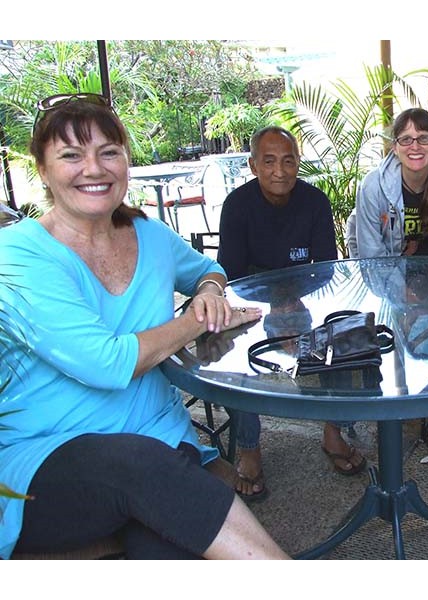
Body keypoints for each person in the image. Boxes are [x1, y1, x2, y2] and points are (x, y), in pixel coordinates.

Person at [0, 94, 289, 559]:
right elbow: (107, 363)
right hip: (46, 459)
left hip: (162, 437)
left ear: (126, 162)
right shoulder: (17, 253)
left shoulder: (150, 235)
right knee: (135, 463)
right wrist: (196, 321)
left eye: (108, 152)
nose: (94, 169)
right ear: (43, 170)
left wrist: (209, 292)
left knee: (171, 550)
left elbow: (208, 270)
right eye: (71, 155)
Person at [217, 126, 366, 497]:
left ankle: (333, 430)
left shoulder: (315, 201)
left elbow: (326, 268)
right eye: (269, 162)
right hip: (251, 303)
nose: (279, 171)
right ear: (253, 165)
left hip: (305, 298)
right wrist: (276, 301)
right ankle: (249, 447)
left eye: (288, 161)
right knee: (231, 360)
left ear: (298, 163)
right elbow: (231, 275)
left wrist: (291, 299)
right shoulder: (237, 205)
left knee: (345, 336)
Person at [355, 107, 428, 258]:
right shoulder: (373, 186)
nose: (415, 147)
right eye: (406, 139)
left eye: (424, 138)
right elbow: (371, 255)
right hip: (388, 271)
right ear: (394, 148)